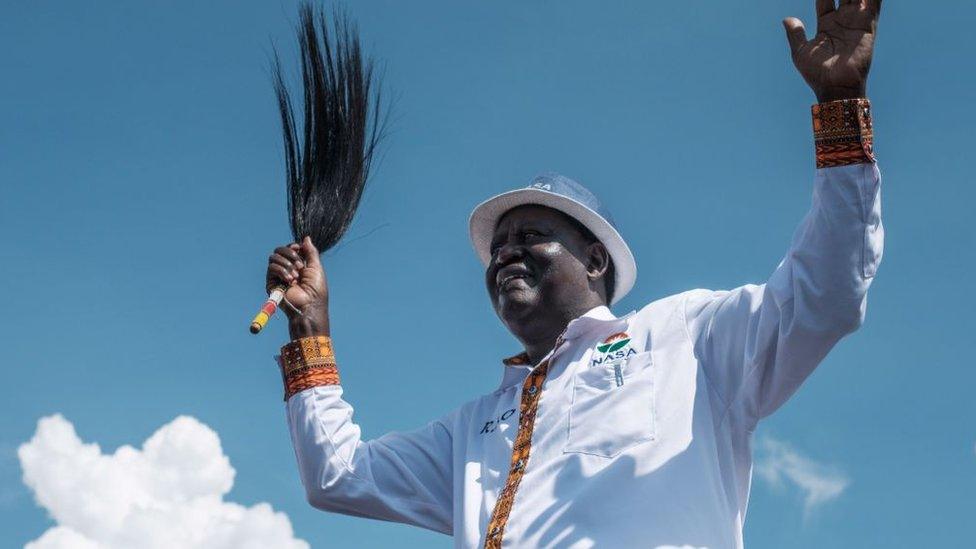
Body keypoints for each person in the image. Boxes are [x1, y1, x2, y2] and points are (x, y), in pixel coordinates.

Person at [266, 1, 884, 547]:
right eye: (498, 246)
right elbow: (337, 477)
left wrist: (839, 108)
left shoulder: (685, 339)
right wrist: (309, 332)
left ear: (595, 260)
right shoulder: (475, 430)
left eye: (531, 237)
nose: (506, 252)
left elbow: (826, 293)